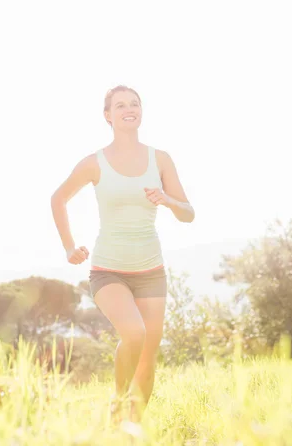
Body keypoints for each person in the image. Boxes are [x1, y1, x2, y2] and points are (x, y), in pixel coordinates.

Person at [50, 85, 195, 424]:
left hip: (151, 271)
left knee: (148, 355)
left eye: (134, 104)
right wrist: (70, 246)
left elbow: (188, 212)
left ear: (140, 112)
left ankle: (133, 429)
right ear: (108, 116)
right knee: (134, 334)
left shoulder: (160, 159)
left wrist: (168, 200)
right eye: (120, 105)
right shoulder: (94, 162)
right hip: (108, 270)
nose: (129, 109)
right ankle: (117, 404)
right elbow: (58, 199)